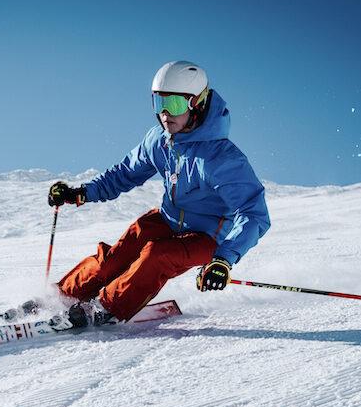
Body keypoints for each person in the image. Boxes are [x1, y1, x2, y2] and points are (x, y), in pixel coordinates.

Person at [47, 60, 271, 328]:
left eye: (174, 104)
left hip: (208, 237)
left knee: (157, 255)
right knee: (118, 254)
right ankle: (61, 297)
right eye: (158, 103)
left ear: (196, 103)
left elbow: (253, 214)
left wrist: (224, 258)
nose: (165, 114)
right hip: (167, 219)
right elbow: (124, 174)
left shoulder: (221, 158)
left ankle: (105, 308)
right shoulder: (159, 140)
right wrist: (81, 192)